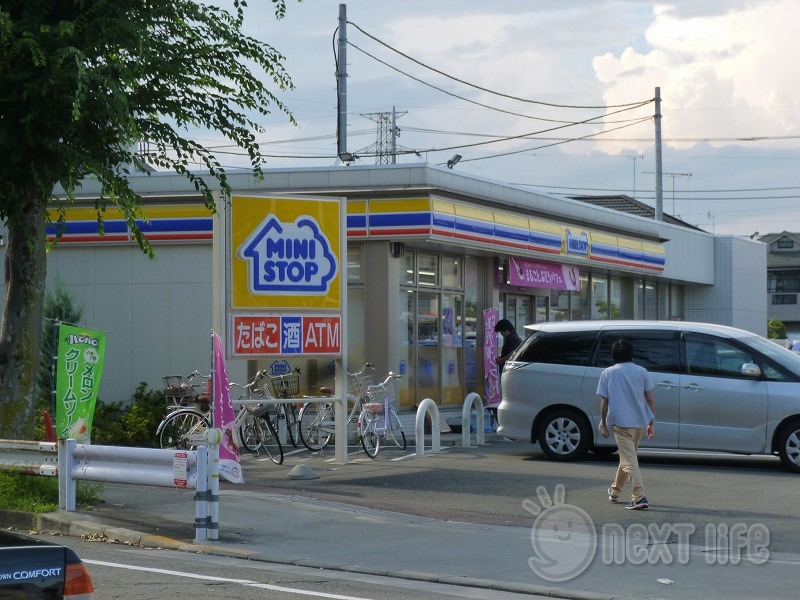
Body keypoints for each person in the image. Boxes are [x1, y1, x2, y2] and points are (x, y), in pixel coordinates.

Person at [597, 338, 655, 510]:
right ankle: (615, 492)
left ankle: (639, 497)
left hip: (621, 424)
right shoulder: (642, 372)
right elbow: (650, 399)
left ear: (614, 355)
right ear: (632, 354)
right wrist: (651, 422)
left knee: (629, 460)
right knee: (627, 458)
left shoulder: (608, 373)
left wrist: (604, 423)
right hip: (639, 423)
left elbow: (604, 402)